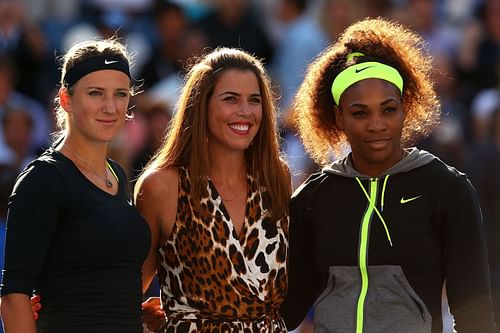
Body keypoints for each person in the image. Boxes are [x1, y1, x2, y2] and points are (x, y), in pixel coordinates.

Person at [280, 17, 496, 333]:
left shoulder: (447, 189)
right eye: (360, 112)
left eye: (388, 109)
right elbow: (287, 309)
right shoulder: (312, 199)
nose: (377, 124)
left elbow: (475, 317)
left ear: (404, 108)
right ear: (339, 117)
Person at [0, 38, 151, 333]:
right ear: (66, 99)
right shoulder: (44, 178)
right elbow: (13, 298)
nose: (110, 107)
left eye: (120, 94)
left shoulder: (117, 176)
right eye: (96, 93)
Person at [136, 47, 291, 332]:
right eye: (231, 99)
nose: (245, 112)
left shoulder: (275, 176)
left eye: (254, 101)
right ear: (201, 105)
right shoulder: (161, 186)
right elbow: (129, 287)